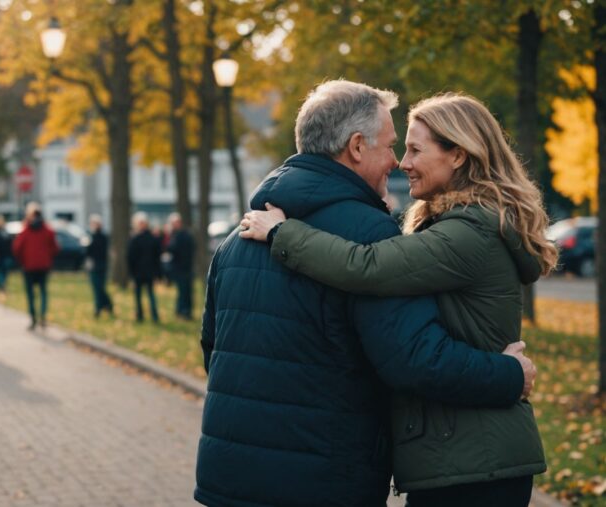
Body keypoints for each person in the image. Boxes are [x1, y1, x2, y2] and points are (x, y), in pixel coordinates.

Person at [195, 80, 538, 507]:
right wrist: (508, 375)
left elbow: (214, 350)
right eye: (394, 146)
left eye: (412, 150)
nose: (397, 162)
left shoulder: (238, 239)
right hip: (325, 480)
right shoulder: (369, 233)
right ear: (357, 146)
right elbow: (413, 359)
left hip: (228, 479)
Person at [13, 203, 59, 330]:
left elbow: (17, 248)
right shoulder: (48, 230)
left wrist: (21, 260)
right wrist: (48, 257)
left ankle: (33, 317)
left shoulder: (25, 230)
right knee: (43, 291)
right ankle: (42, 316)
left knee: (31, 293)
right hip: (43, 265)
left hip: (29, 266)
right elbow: (55, 248)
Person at [127, 212, 161, 323]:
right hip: (143, 272)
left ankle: (147, 316)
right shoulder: (151, 238)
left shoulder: (136, 239)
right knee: (144, 295)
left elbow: (130, 257)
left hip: (142, 272)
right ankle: (146, 315)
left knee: (146, 295)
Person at [166, 212, 195, 319]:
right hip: (183, 268)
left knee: (184, 291)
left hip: (182, 268)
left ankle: (184, 311)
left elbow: (171, 249)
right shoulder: (182, 235)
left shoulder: (179, 236)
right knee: (184, 291)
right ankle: (183, 311)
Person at [86, 214, 113, 318]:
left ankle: (99, 308)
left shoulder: (102, 236)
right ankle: (106, 305)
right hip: (93, 266)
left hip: (101, 265)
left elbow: (102, 251)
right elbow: (88, 252)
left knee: (100, 288)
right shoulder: (90, 236)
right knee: (96, 288)